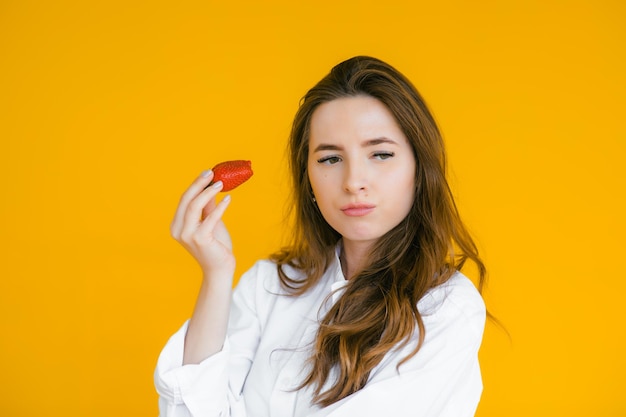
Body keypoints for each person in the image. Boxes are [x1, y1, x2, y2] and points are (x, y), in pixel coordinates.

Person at [154, 56, 488, 417]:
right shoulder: (268, 286)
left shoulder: (445, 308)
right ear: (308, 179)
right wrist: (216, 276)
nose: (353, 181)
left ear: (419, 169)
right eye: (330, 159)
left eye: (380, 154)